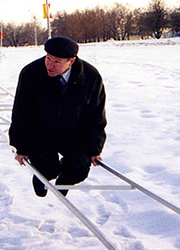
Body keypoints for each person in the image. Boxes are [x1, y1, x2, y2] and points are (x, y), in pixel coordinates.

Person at [9, 36, 107, 197]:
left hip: (73, 131)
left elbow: (95, 115)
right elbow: (22, 112)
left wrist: (95, 148)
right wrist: (21, 147)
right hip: (41, 130)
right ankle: (43, 177)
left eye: (57, 62)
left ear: (71, 62)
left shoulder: (90, 77)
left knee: (80, 168)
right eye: (48, 58)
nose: (49, 65)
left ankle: (65, 179)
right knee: (45, 167)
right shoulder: (31, 73)